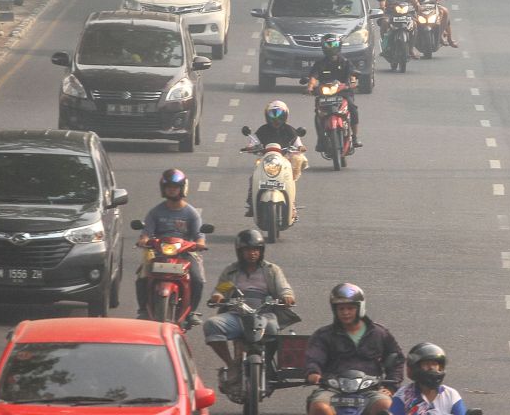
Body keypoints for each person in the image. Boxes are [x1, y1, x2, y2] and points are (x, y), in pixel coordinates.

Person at [204, 229, 296, 395]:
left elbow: (284, 288)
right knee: (211, 325)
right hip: (236, 315)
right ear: (240, 251)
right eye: (248, 250)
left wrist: (287, 296)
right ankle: (232, 365)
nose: (252, 253)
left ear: (261, 251)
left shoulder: (272, 270)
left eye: (256, 249)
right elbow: (221, 290)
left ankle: (267, 364)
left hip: (265, 314)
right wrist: (218, 296)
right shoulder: (231, 271)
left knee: (273, 330)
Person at [305, 283, 403, 415]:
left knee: (386, 405)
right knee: (319, 407)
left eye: (350, 308)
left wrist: (391, 387)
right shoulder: (324, 335)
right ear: (335, 310)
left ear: (359, 308)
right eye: (341, 309)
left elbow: (396, 359)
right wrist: (313, 372)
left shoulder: (379, 333)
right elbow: (314, 357)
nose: (345, 313)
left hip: (370, 390)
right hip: (332, 389)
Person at [136, 169, 206, 327]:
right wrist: (144, 240)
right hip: (158, 252)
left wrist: (199, 243)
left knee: (198, 279)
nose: (172, 190)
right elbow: (146, 232)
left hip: (185, 253)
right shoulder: (155, 212)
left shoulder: (191, 213)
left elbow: (199, 235)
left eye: (175, 187)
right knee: (142, 277)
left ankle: (192, 311)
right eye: (169, 187)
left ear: (183, 188)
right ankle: (143, 310)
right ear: (163, 189)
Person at [243, 100, 307, 217]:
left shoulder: (290, 130)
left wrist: (301, 148)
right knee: (254, 178)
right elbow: (254, 142)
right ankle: (252, 204)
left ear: (285, 115)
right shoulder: (262, 129)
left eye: (279, 115)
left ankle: (292, 205)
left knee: (290, 180)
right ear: (267, 116)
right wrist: (250, 147)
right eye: (273, 115)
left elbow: (298, 143)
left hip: (284, 159)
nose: (276, 118)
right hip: (266, 159)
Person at [306, 35, 361, 147]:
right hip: (324, 94)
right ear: (323, 47)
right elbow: (313, 77)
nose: (331, 48)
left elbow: (352, 75)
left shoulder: (345, 62)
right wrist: (310, 87)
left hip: (343, 92)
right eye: (328, 45)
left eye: (333, 45)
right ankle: (321, 139)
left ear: (339, 46)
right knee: (318, 115)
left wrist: (352, 83)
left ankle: (355, 137)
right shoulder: (320, 63)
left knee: (353, 109)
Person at [389, 342, 468, 415]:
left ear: (440, 367)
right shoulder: (403, 396)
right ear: (416, 367)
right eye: (426, 364)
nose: (431, 368)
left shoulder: (450, 395)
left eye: (434, 364)